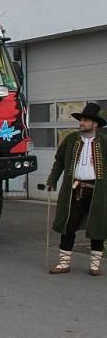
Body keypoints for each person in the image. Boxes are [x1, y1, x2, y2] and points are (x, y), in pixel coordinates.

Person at [46, 103, 107, 275]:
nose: (81, 123)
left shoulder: (104, 142)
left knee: (97, 226)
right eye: (81, 120)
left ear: (95, 124)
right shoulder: (71, 139)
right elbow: (59, 161)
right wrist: (52, 180)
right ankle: (64, 263)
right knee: (69, 225)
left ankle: (95, 266)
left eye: (85, 120)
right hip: (75, 189)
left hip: (97, 191)